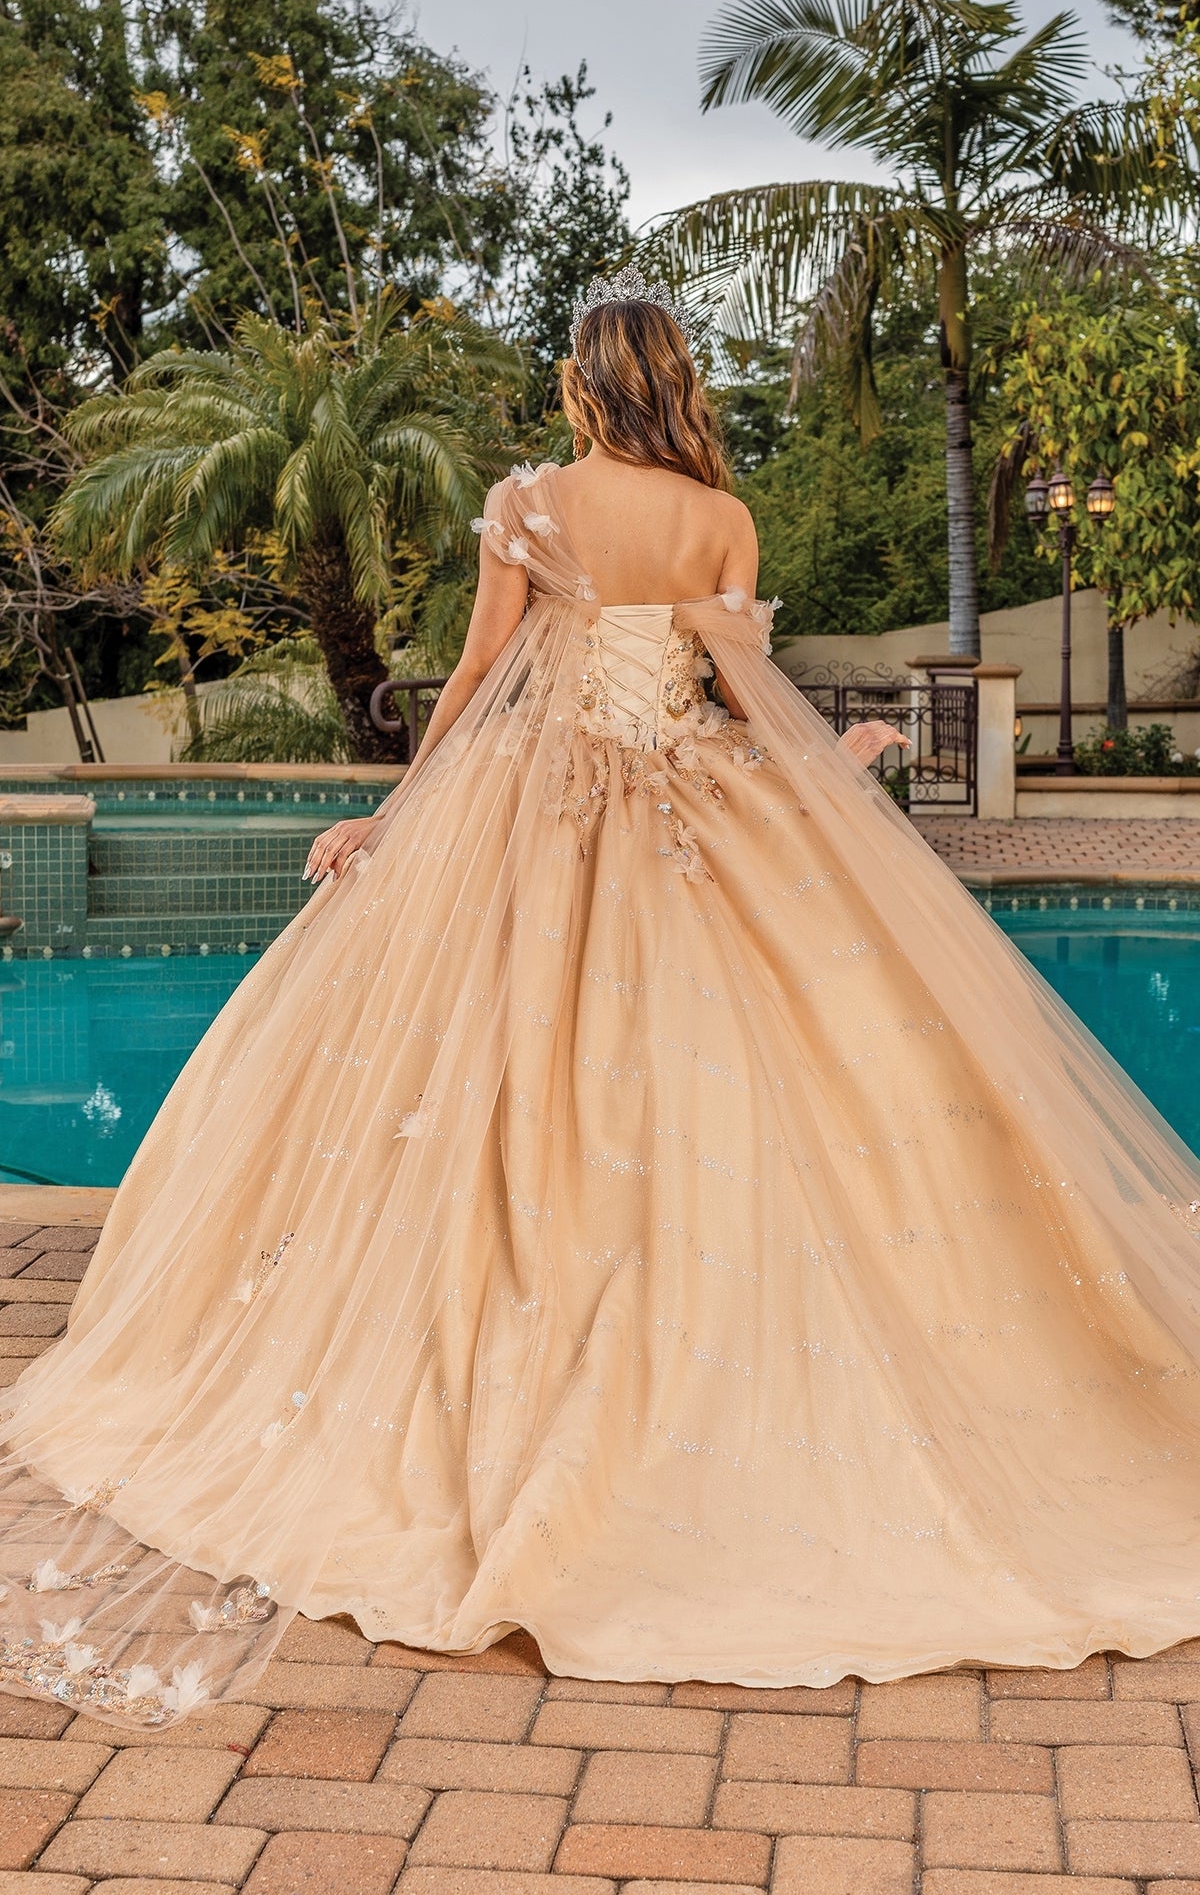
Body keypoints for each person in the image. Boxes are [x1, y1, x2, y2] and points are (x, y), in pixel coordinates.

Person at [4, 270, 1200, 1732]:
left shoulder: (527, 502)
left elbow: (480, 674)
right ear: (675, 381)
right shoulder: (721, 520)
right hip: (695, 817)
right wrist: (836, 766)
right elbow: (744, 701)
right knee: (730, 1079)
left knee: (511, 1082)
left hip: (535, 819)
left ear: (585, 381)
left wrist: (397, 812)